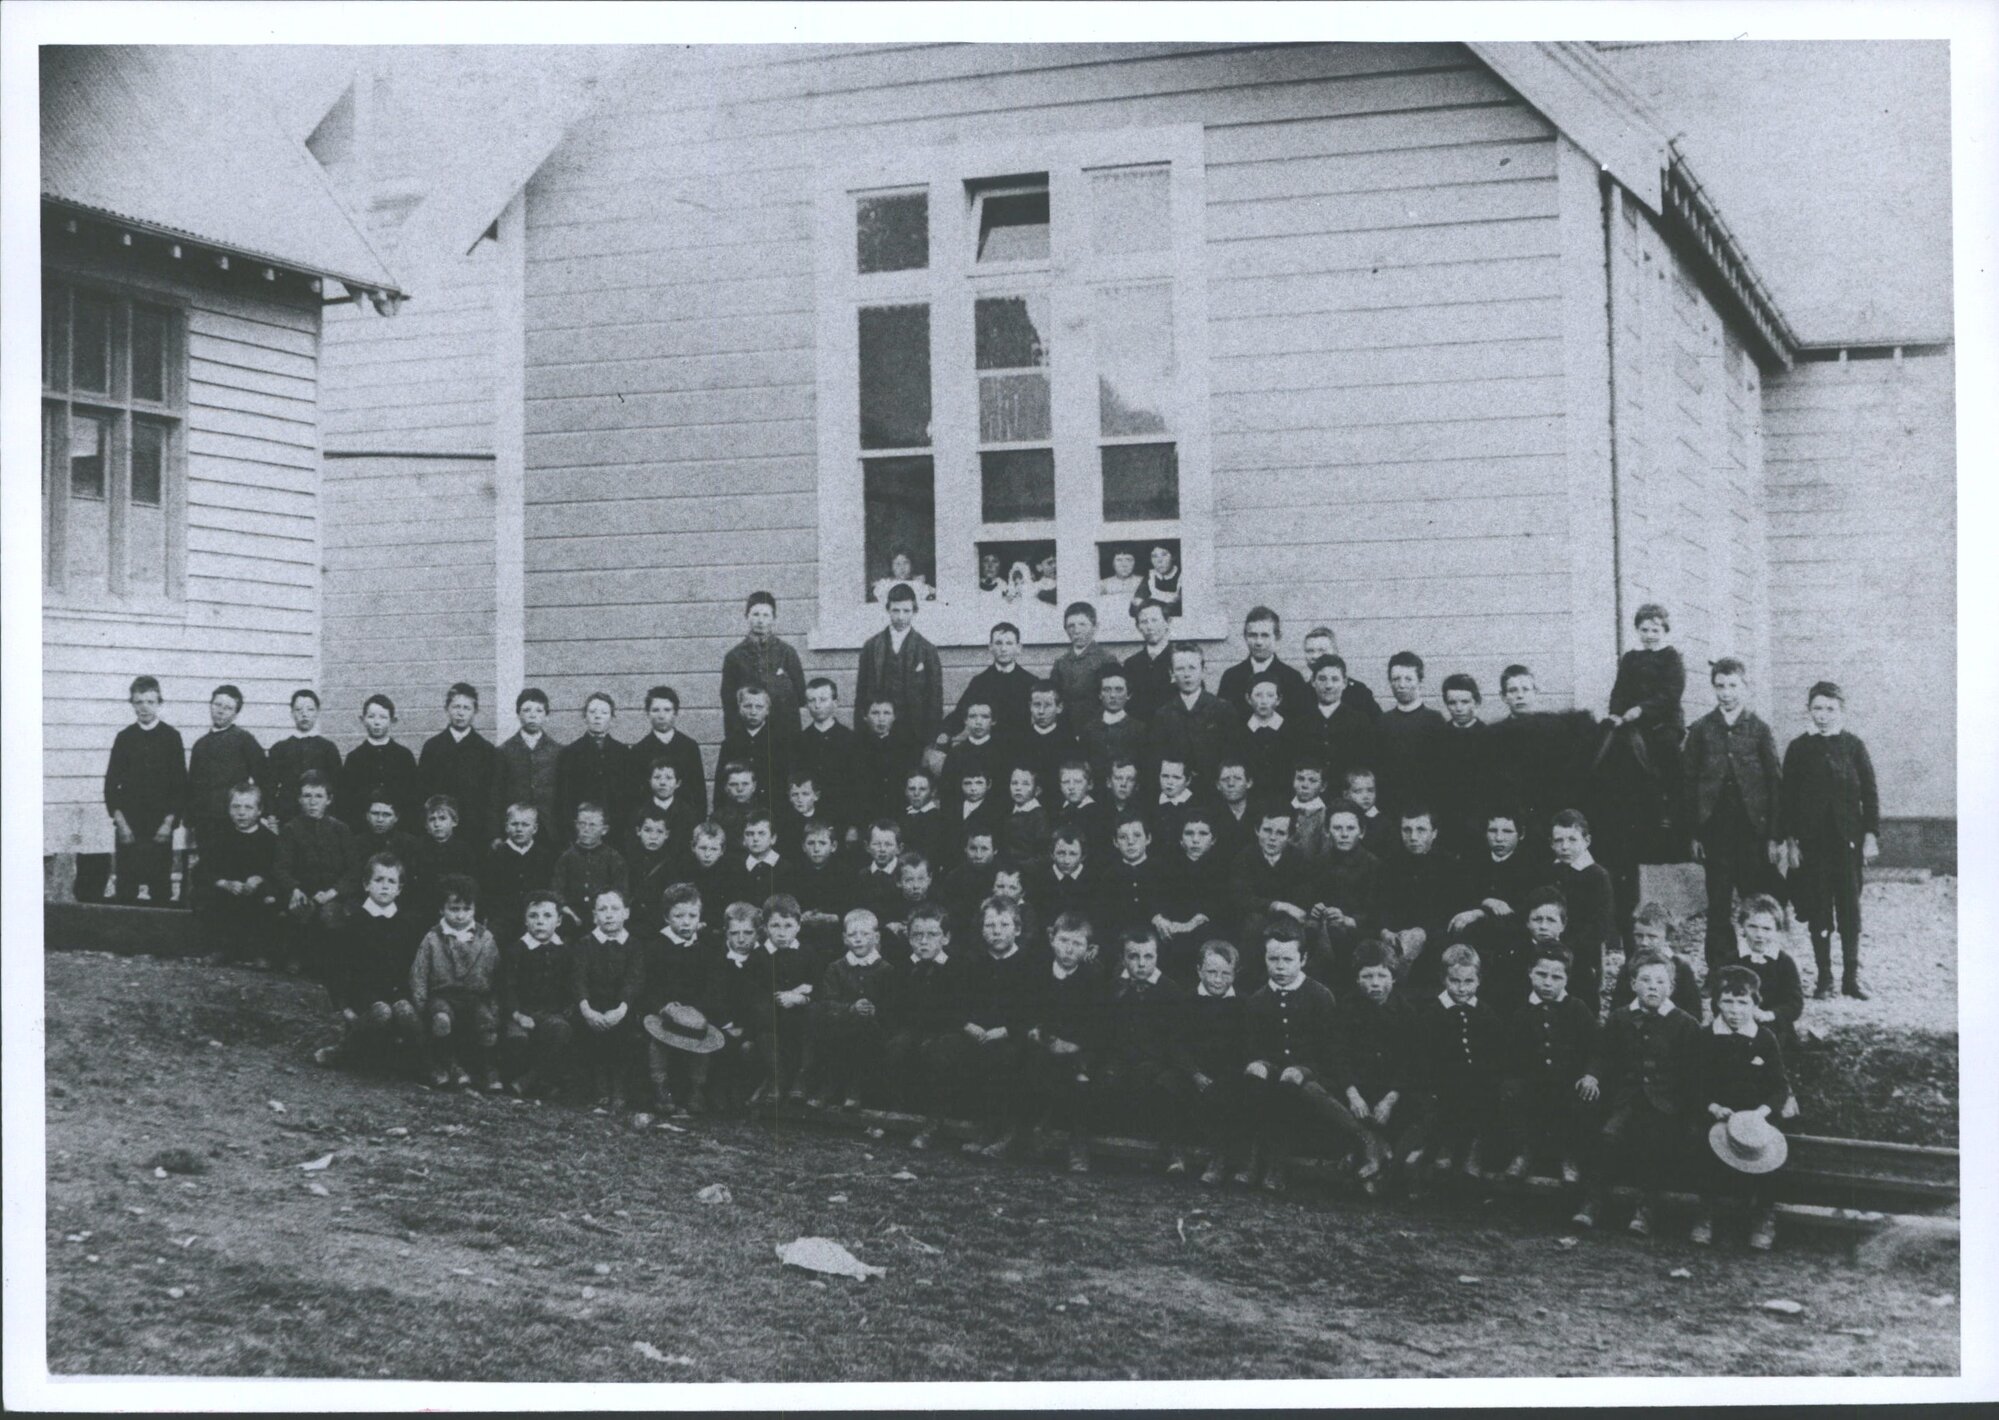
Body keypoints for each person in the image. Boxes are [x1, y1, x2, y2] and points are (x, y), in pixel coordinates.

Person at [1575, 948, 1700, 1236]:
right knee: (1608, 1137)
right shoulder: (1620, 1018)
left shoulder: (1685, 1024)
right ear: (1633, 985)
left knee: (1655, 1143)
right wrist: (1592, 1075)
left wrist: (1688, 1110)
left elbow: (1692, 1074)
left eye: (1660, 982)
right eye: (1645, 981)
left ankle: (1646, 1208)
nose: (1652, 987)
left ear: (1671, 986)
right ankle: (1593, 1201)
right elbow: (1602, 1053)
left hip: (1664, 1104)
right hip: (1626, 1100)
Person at [1681, 657, 1785, 971]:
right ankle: (1719, 970)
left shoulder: (1759, 729)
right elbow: (1688, 783)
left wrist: (1774, 835)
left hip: (1752, 831)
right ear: (1713, 688)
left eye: (1733, 686)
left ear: (1745, 687)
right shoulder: (1701, 729)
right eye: (1720, 686)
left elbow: (1775, 784)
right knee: (1719, 902)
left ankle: (1760, 966)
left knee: (1754, 902)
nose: (1726, 693)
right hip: (1716, 831)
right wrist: (1693, 833)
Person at [1780, 681, 1881, 999]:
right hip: (1813, 846)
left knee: (1850, 910)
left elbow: (1870, 793)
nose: (1823, 715)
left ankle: (1851, 978)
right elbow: (1787, 799)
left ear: (1841, 710)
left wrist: (1870, 835)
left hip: (1847, 843)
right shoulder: (1799, 748)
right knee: (1819, 910)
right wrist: (1791, 842)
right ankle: (1824, 978)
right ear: (1808, 710)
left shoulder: (1853, 746)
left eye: (1830, 709)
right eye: (1817, 708)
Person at [1237, 925, 1346, 1194]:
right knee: (1255, 1071)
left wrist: (1306, 1070)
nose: (1280, 967)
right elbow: (1253, 1048)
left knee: (1291, 1076)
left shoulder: (1320, 996)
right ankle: (1251, 1158)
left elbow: (1330, 1050)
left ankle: (1277, 1163)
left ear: (1303, 959)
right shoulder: (1257, 1000)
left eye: (1288, 960)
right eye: (1273, 959)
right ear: (1264, 959)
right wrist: (1261, 1065)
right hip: (1274, 1069)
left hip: (1310, 1072)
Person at [1690, 964, 1793, 1250]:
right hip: (1719, 1113)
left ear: (1755, 1004)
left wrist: (1762, 1113)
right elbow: (1693, 1083)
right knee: (1701, 1139)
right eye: (1728, 1002)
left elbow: (1779, 1085)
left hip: (1756, 1116)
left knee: (1772, 1147)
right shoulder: (1706, 1037)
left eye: (1742, 1002)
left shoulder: (1764, 1039)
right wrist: (1713, 1107)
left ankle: (1763, 1214)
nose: (1735, 1010)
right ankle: (1705, 1211)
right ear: (1717, 1003)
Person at [1093, 927, 1195, 1175]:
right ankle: (1110, 1149)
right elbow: (1104, 1032)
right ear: (1123, 959)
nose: (1140, 964)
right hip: (1120, 1059)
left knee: (1160, 1086)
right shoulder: (1114, 989)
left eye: (1148, 957)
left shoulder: (1170, 992)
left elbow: (1177, 1038)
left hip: (1155, 1062)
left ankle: (1173, 1151)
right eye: (1133, 957)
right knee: (1106, 1079)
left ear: (1157, 956)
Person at [1497, 941, 1600, 1187]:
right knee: (1513, 1094)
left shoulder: (1578, 1009)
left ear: (1566, 979)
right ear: (1530, 973)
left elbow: (1596, 1048)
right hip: (1533, 1082)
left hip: (1568, 1082)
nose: (1547, 983)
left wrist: (1590, 1075)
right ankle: (1524, 1151)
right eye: (1541, 975)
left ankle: (1569, 1157)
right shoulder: (1521, 1011)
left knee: (1580, 1102)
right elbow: (1510, 1053)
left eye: (1556, 977)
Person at [317, 852, 424, 1072]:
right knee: (381, 1012)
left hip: (396, 994)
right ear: (366, 885)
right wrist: (344, 1006)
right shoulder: (354, 921)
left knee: (405, 1010)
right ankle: (343, 1051)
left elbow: (412, 967)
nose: (385, 887)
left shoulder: (406, 924)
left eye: (391, 881)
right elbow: (338, 967)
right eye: (379, 880)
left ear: (400, 889)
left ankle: (421, 1063)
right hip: (363, 998)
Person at [1405, 944, 1503, 1180]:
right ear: (1443, 979)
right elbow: (1423, 1056)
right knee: (1444, 1108)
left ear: (1478, 981)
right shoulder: (1431, 1014)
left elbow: (1494, 1052)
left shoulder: (1486, 1013)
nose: (1461, 988)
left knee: (1484, 1104)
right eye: (1455, 981)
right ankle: (1441, 1149)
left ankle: (1474, 1152)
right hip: (1443, 1085)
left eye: (1468, 982)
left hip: (1478, 1084)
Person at [1600, 603, 1688, 865]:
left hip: (1663, 722)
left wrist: (1642, 709)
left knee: (1667, 748)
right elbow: (1619, 691)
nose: (1650, 634)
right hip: (1632, 723)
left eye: (1655, 629)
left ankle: (1669, 808)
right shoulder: (1630, 658)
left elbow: (1671, 694)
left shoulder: (1671, 657)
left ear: (1664, 630)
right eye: (1644, 629)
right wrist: (1616, 713)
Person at [953, 896, 1039, 1157]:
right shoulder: (972, 963)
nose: (997, 931)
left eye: (1004, 925)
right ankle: (983, 1128)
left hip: (1012, 1036)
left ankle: (1009, 1132)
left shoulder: (1029, 965)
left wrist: (1007, 1030)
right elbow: (957, 1001)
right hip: (978, 1033)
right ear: (981, 930)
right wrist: (968, 1024)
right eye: (990, 926)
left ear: (1018, 929)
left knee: (1008, 1058)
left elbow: (1033, 1009)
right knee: (949, 1051)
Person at [1025, 913, 1106, 1172]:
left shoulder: (1093, 979)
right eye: (1064, 941)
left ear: (1088, 949)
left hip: (1078, 1047)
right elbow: (1028, 1012)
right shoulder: (1038, 972)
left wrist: (1073, 1044)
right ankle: (1036, 1128)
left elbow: (1098, 1024)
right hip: (1044, 1042)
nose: (1069, 949)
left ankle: (1077, 1141)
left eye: (1077, 944)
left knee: (1081, 1075)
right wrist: (1041, 1034)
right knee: (1036, 1062)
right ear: (1052, 939)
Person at [408, 873, 503, 1091]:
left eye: (466, 909)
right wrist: (422, 1006)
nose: (460, 916)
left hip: (474, 996)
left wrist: (494, 1005)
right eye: (454, 909)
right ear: (442, 909)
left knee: (486, 1022)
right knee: (442, 1019)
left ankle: (487, 1068)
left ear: (475, 909)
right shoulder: (432, 938)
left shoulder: (485, 938)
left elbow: (496, 974)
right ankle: (450, 1063)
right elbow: (419, 974)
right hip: (442, 996)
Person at [104, 675, 186, 906]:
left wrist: (168, 823)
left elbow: (180, 785)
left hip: (160, 826)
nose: (144, 707)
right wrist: (121, 823)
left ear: (159, 702)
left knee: (160, 886)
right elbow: (111, 785)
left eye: (150, 701)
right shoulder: (124, 738)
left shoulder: (171, 737)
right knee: (126, 886)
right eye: (139, 702)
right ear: (132, 704)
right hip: (129, 826)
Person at [1446, 808, 1542, 1005]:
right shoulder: (1473, 863)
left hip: (1512, 942)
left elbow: (1519, 910)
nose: (1499, 838)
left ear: (1521, 834)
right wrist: (1485, 903)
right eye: (1493, 831)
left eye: (1507, 832)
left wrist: (1481, 912)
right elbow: (1459, 898)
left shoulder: (1531, 867)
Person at [889, 903, 966, 1144]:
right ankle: (897, 1113)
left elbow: (958, 1009)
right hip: (916, 1027)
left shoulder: (957, 967)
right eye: (917, 936)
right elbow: (898, 1006)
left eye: (932, 935)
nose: (924, 942)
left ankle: (935, 1121)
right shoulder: (906, 966)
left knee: (937, 1053)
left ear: (946, 938)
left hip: (948, 1030)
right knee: (897, 1046)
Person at [638, 883, 718, 1114]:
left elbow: (713, 987)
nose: (686, 922)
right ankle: (660, 1088)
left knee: (703, 1036)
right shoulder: (654, 948)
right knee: (658, 1039)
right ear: (666, 917)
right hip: (662, 1014)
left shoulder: (706, 950)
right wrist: (662, 1007)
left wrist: (698, 1010)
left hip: (694, 1016)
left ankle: (696, 1089)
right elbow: (647, 986)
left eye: (692, 916)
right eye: (679, 916)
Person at [807, 908, 896, 1111]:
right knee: (830, 1027)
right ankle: (829, 1086)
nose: (858, 939)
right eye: (852, 935)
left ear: (876, 937)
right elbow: (828, 1000)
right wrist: (851, 1009)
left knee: (864, 1031)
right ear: (844, 939)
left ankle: (855, 1089)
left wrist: (874, 1010)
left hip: (872, 1031)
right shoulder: (836, 968)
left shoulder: (886, 970)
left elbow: (891, 1006)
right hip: (840, 1026)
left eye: (865, 934)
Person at [275, 771, 360, 975]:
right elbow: (280, 867)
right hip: (303, 892)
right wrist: (293, 889)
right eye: (307, 796)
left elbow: (354, 870)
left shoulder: (341, 829)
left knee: (330, 915)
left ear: (329, 800)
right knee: (298, 911)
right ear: (299, 799)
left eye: (318, 796)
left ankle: (329, 966)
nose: (312, 802)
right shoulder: (290, 829)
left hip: (334, 895)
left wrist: (333, 892)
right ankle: (297, 957)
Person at [192, 782, 283, 964]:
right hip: (227, 893)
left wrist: (259, 879)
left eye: (248, 807)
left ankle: (260, 952)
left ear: (259, 810)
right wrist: (224, 882)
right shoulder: (219, 836)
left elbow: (279, 870)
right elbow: (202, 870)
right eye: (236, 807)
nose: (241, 813)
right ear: (229, 809)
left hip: (256, 893)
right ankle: (221, 949)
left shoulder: (271, 841)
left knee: (270, 900)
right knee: (205, 896)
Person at [572, 887, 644, 1109]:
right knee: (589, 1036)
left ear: (626, 913)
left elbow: (634, 980)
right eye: (603, 909)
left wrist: (621, 1009)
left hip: (621, 1007)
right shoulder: (585, 944)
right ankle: (600, 1083)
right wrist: (586, 1009)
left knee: (625, 1034)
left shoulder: (634, 945)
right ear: (594, 915)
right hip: (591, 1007)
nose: (609, 914)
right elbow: (578, 979)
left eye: (615, 909)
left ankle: (619, 1084)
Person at [1372, 804, 1458, 990]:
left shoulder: (1450, 866)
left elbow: (1450, 911)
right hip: (1394, 939)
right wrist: (1385, 931)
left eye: (1421, 830)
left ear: (1434, 833)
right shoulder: (1388, 865)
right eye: (1407, 830)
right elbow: (1378, 906)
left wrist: (1423, 933)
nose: (1413, 837)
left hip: (1434, 940)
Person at [1187, 940, 1251, 1186]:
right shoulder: (1188, 1000)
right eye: (1212, 972)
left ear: (1235, 974)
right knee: (1169, 1084)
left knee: (1231, 1094)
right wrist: (1194, 1073)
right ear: (1199, 971)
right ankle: (1176, 1151)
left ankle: (1220, 1158)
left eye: (1225, 974)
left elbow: (1245, 1046)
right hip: (1195, 1071)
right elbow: (1177, 1043)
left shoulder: (1242, 1004)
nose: (1217, 980)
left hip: (1227, 1072)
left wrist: (1230, 1074)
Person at [500, 890, 575, 1097]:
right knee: (518, 1039)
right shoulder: (517, 950)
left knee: (560, 1030)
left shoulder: (566, 952)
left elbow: (570, 986)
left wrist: (567, 1008)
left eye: (547, 916)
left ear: (558, 921)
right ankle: (531, 1081)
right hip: (521, 1012)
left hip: (551, 1014)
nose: (540, 922)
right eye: (533, 916)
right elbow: (508, 987)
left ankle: (531, 1079)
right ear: (525, 920)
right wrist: (517, 1014)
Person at [856, 583, 945, 758]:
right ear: (888, 610)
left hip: (913, 733)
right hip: (878, 733)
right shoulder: (871, 647)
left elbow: (934, 698)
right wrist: (860, 733)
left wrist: (930, 740)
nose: (901, 617)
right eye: (896, 611)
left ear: (915, 611)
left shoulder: (927, 650)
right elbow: (861, 694)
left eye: (906, 611)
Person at [1715, 894, 1805, 1055]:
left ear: (1777, 930)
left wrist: (1770, 1015)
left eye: (1766, 929)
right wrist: (1735, 1014)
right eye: (1753, 927)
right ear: (1742, 926)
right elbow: (1717, 999)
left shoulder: (1784, 962)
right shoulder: (1731, 960)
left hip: (1773, 1025)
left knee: (1767, 1050)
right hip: (1735, 1022)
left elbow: (1795, 1003)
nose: (1759, 935)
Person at [1544, 809, 1616, 1011]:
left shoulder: (1597, 876)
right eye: (1558, 841)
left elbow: (1601, 924)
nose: (1565, 846)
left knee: (1580, 1003)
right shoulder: (1552, 871)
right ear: (1551, 843)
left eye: (1572, 840)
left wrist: (1566, 946)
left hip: (1582, 954)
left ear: (1587, 840)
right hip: (1549, 949)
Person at [186, 684, 267, 853]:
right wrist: (190, 821)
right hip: (205, 821)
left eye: (228, 708)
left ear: (236, 713)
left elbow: (264, 777)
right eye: (217, 705)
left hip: (234, 820)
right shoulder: (200, 744)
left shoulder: (244, 740)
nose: (221, 711)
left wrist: (258, 813)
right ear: (210, 705)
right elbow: (192, 786)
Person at [1149, 644, 1245, 787]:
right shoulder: (1164, 714)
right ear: (1171, 673)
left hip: (1214, 790)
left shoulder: (1222, 709)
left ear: (1203, 671)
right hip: (1178, 791)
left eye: (1192, 668)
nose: (1186, 674)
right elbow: (1158, 758)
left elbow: (1232, 755)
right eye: (1180, 669)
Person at [417, 682, 498, 847]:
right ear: (447, 709)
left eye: (466, 708)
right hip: (438, 832)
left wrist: (492, 834)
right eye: (456, 707)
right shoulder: (433, 747)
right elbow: (422, 792)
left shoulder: (486, 750)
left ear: (475, 711)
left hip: (474, 831)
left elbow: (492, 796)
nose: (460, 713)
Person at [721, 590, 805, 744]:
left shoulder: (787, 653)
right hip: (749, 735)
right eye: (756, 614)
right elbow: (729, 704)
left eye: (766, 615)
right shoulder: (734, 657)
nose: (760, 620)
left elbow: (801, 695)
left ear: (774, 619)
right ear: (747, 616)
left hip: (783, 733)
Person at [1310, 800, 1379, 985]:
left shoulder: (1373, 865)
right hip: (1324, 931)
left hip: (1360, 932)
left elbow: (1376, 911)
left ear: (1361, 832)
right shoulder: (1318, 863)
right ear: (1327, 831)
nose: (1344, 834)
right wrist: (1315, 908)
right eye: (1337, 828)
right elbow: (1308, 897)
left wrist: (1348, 920)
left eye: (1350, 828)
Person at [1373, 652, 1446, 819]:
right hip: (1390, 808)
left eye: (1408, 679)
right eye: (1396, 679)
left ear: (1420, 681)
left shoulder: (1434, 721)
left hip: (1426, 809)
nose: (1401, 685)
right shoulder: (1383, 722)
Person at [1610, 901, 1704, 1023]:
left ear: (1667, 938)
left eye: (1652, 937)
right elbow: (1616, 1012)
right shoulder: (1629, 969)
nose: (1644, 942)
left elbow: (1694, 1016)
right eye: (1639, 936)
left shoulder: (1681, 970)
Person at [556, 693, 631, 843]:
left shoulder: (623, 753)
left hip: (616, 830)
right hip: (581, 831)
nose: (598, 717)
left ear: (612, 718)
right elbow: (563, 798)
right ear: (585, 717)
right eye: (592, 712)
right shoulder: (570, 753)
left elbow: (629, 797)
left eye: (604, 713)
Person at [1432, 673, 1493, 852]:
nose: (1458, 708)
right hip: (1446, 818)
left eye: (1465, 702)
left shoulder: (1488, 737)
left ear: (1476, 701)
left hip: (1479, 819)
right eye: (1452, 703)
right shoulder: (1438, 738)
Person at [1217, 607, 1312, 722]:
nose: (1258, 642)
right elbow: (1222, 722)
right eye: (1253, 635)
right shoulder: (1231, 677)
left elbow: (1299, 722)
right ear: (1245, 637)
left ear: (1277, 637)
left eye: (1265, 635)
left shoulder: (1292, 678)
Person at [341, 694, 420, 832]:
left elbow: (412, 799)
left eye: (383, 717)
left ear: (392, 721)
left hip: (399, 832)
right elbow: (348, 801)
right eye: (371, 717)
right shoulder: (354, 758)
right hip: (363, 833)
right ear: (363, 720)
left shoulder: (404, 756)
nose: (376, 722)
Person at [1300, 655, 1378, 792]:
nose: (1328, 686)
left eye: (1335, 679)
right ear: (1313, 681)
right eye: (1322, 679)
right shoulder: (1301, 721)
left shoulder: (1360, 721)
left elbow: (1367, 765)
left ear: (1345, 683)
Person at [266, 689, 342, 827]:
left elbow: (337, 786)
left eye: (310, 709)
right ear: (292, 713)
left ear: (317, 712)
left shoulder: (328, 748)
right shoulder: (280, 748)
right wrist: (271, 814)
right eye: (299, 709)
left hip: (321, 817)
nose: (304, 714)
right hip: (288, 816)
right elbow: (269, 786)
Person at [492, 688, 561, 838]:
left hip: (549, 829)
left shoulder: (557, 751)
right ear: (518, 714)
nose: (532, 715)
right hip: (516, 829)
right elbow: (496, 795)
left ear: (546, 716)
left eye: (539, 710)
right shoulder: (504, 751)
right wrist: (496, 834)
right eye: (527, 710)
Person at [794, 679, 858, 838]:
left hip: (842, 820)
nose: (817, 705)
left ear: (835, 703)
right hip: (807, 821)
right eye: (811, 700)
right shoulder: (799, 741)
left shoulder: (851, 740)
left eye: (823, 699)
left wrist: (854, 824)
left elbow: (859, 785)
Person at [633, 685, 706, 822]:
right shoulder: (639, 750)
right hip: (651, 823)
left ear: (675, 713)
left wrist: (698, 823)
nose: (661, 716)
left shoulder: (689, 746)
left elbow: (699, 791)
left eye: (667, 710)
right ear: (647, 713)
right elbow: (636, 796)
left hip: (684, 821)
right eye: (655, 710)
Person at [717, 686, 791, 819]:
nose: (753, 712)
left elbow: (786, 779)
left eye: (759, 707)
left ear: (767, 710)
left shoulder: (779, 742)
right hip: (737, 812)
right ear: (740, 709)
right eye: (748, 706)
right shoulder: (730, 743)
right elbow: (720, 784)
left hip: (772, 810)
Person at [554, 803, 628, 935]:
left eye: (592, 825)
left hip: (604, 920)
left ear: (604, 830)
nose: (586, 829)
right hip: (571, 921)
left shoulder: (613, 858)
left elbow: (620, 892)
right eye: (582, 824)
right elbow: (557, 890)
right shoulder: (566, 857)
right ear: (576, 825)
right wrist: (566, 910)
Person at [408, 794, 481, 927]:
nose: (437, 824)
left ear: (454, 821)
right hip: (424, 912)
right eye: (432, 819)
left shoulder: (464, 851)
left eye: (442, 818)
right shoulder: (417, 850)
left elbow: (472, 886)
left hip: (456, 911)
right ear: (426, 825)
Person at [1049, 602, 1119, 733]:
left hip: (1097, 729)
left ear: (1095, 627)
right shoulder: (1061, 663)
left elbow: (1112, 701)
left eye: (1082, 624)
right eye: (1071, 625)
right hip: (1066, 729)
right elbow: (1054, 699)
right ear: (1065, 629)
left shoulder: (1106, 660)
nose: (1076, 630)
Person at [855, 695, 921, 829]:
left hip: (899, 815)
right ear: (865, 717)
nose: (881, 718)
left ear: (894, 716)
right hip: (865, 818)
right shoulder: (854, 747)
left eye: (886, 713)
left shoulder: (907, 748)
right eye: (875, 713)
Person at [1012, 681, 1078, 805]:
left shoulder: (1069, 742)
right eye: (1037, 705)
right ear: (1029, 706)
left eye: (1047, 705)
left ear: (1059, 708)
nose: (1041, 711)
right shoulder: (1020, 740)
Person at [1080, 668, 1146, 790]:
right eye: (1106, 690)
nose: (1113, 695)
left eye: (1119, 690)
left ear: (1129, 695)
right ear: (1100, 694)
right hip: (1096, 795)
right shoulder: (1089, 730)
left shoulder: (1140, 730)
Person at [1121, 600, 1177, 721]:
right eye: (1144, 622)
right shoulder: (1131, 664)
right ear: (1138, 627)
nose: (1150, 627)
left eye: (1154, 620)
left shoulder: (1180, 659)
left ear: (1168, 622)